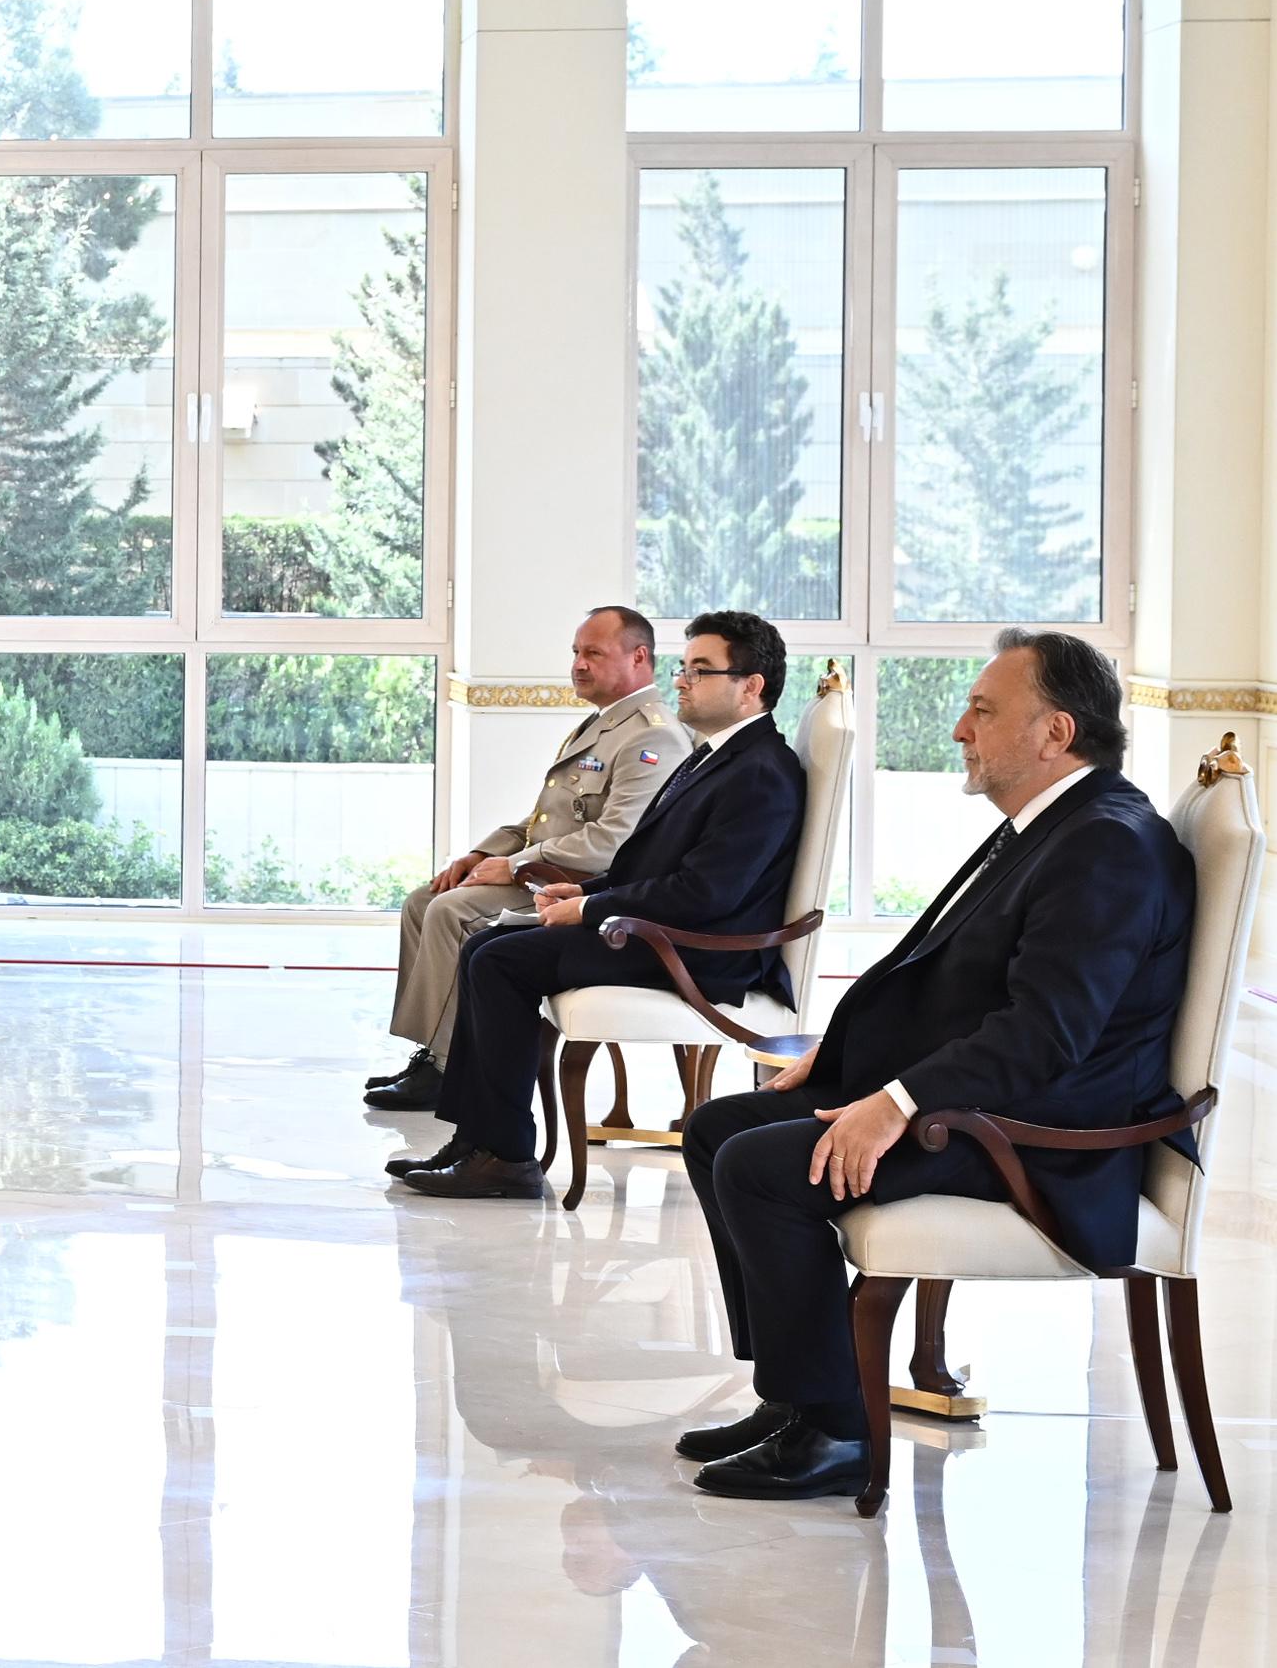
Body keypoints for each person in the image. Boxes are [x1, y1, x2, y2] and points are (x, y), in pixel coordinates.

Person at [674, 630, 1193, 1501]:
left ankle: (836, 1431)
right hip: (994, 1104)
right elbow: (962, 989)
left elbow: (1045, 1033)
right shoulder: (1061, 823)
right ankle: (797, 1391)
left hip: (1038, 1135)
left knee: (758, 1167)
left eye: (982, 710)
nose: (959, 728)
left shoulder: (1104, 843)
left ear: (1055, 733)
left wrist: (894, 1102)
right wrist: (844, 1062)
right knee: (717, 1126)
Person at [393, 609, 806, 1201]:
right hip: (666, 930)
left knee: (500, 960)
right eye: (684, 667)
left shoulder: (761, 771)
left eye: (700, 670)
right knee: (487, 944)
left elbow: (706, 893)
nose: (681, 680)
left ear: (751, 686)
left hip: (700, 952)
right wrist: (585, 893)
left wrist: (590, 912)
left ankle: (505, 1156)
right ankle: (475, 1139)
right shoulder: (718, 755)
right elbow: (655, 864)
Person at [367, 606, 684, 1110]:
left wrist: (514, 866)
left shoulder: (653, 735)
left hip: (580, 887)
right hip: (546, 872)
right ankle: (435, 1053)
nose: (578, 664)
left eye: (594, 653)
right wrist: (483, 853)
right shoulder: (604, 723)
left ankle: (449, 1069)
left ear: (639, 657)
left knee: (450, 911)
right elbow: (543, 820)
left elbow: (614, 843)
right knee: (424, 901)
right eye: (576, 652)